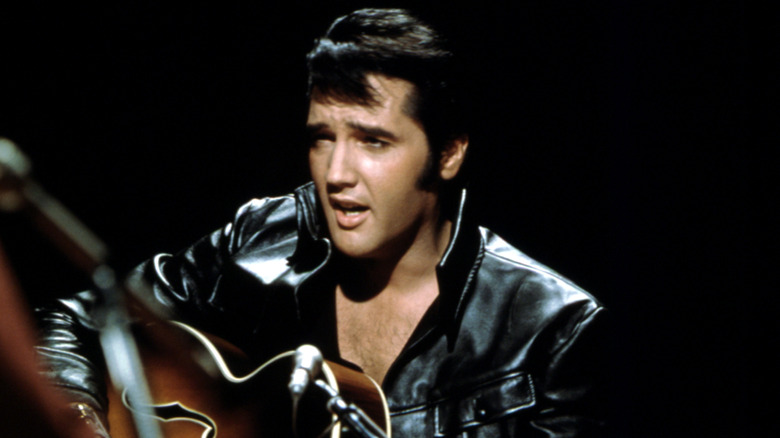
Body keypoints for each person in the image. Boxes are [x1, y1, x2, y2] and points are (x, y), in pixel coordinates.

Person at [35, 8, 608, 437]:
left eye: (372, 142)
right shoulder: (263, 236)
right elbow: (77, 318)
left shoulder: (552, 332)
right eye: (321, 140)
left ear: (449, 153)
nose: (336, 174)